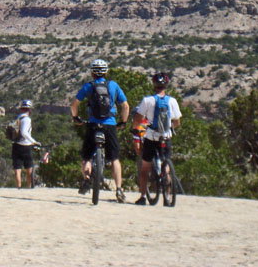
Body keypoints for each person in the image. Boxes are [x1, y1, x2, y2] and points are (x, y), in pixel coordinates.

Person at [70, 58, 129, 203]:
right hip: (110, 125)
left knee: (86, 157)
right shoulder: (113, 85)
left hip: (93, 124)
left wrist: (75, 117)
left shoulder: (88, 86)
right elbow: (125, 106)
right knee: (114, 159)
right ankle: (119, 189)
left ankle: (86, 179)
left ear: (92, 73)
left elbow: (74, 104)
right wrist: (123, 122)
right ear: (106, 72)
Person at [133, 72, 182, 205]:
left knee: (145, 168)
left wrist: (135, 128)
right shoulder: (172, 101)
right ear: (166, 85)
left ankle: (143, 196)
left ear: (154, 85)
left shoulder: (147, 100)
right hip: (166, 137)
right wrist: (170, 128)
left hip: (151, 137)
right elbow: (177, 121)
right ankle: (168, 194)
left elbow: (138, 118)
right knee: (166, 165)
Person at [12, 99, 40, 189]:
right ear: (29, 110)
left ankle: (18, 187)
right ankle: (29, 187)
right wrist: (34, 141)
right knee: (29, 167)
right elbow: (24, 132)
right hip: (26, 146)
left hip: (16, 145)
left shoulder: (17, 118)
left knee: (17, 168)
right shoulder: (27, 119)